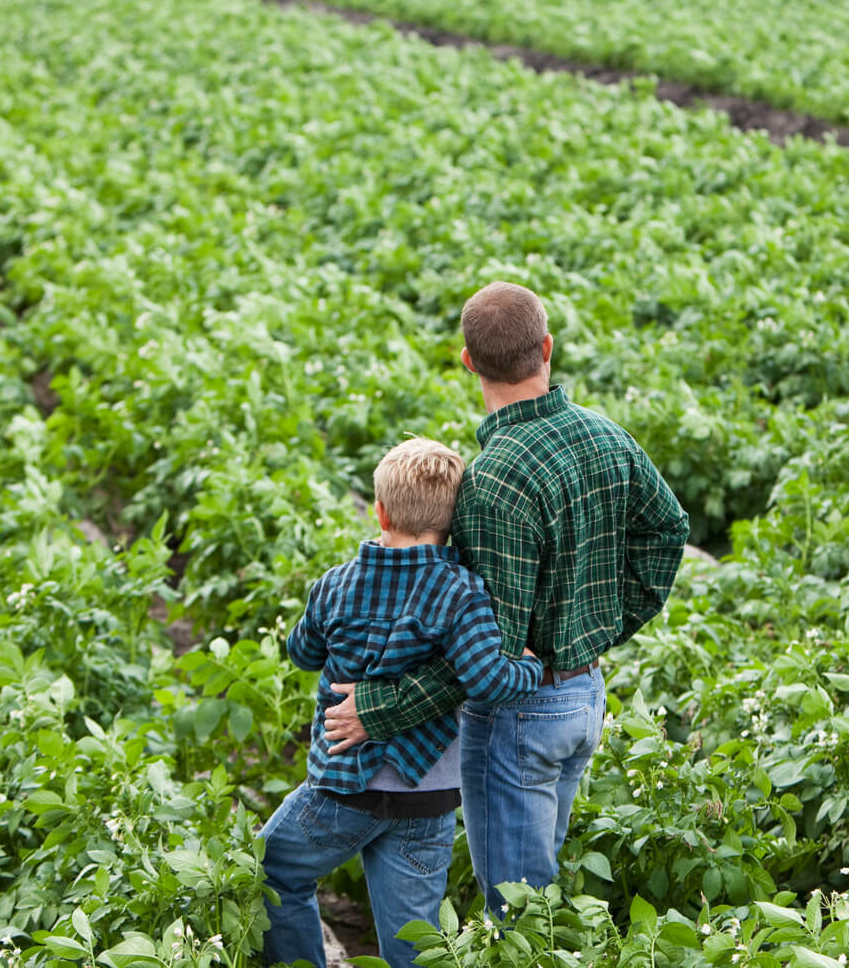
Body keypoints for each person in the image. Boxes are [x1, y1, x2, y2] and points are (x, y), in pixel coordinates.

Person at [323, 281, 691, 912]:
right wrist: (598, 628)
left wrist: (377, 709)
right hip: (583, 697)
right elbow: (668, 530)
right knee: (537, 899)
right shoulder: (607, 436)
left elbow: (487, 660)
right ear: (547, 348)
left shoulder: (492, 481)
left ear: (467, 362)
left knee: (519, 911)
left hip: (521, 715)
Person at [259, 438, 544, 968]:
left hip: (345, 785)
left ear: (380, 510)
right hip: (427, 794)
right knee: (412, 937)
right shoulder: (462, 591)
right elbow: (487, 680)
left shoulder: (337, 584)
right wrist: (530, 664)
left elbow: (300, 652)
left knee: (271, 872)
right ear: (452, 520)